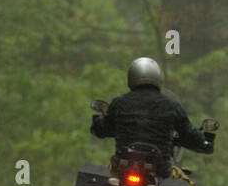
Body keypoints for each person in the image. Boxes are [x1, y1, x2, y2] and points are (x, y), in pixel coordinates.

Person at [90, 57, 218, 177]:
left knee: (104, 175)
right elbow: (189, 134)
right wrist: (204, 141)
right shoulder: (171, 106)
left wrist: (98, 122)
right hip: (160, 170)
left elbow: (101, 129)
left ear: (131, 77)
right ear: (158, 78)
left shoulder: (119, 103)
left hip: (122, 167)